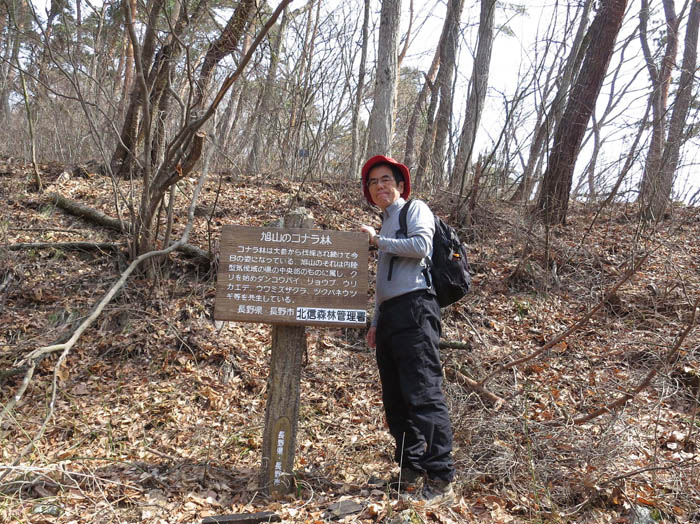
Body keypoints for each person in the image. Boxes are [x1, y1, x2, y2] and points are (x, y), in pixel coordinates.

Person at [360, 154, 455, 505]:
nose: (380, 186)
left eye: (385, 179)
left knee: (423, 395)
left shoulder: (415, 209)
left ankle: (441, 477)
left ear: (399, 185)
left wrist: (376, 241)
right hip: (391, 316)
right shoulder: (385, 223)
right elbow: (384, 282)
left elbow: (420, 247)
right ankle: (410, 470)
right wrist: (376, 321)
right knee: (396, 399)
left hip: (416, 310)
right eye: (373, 182)